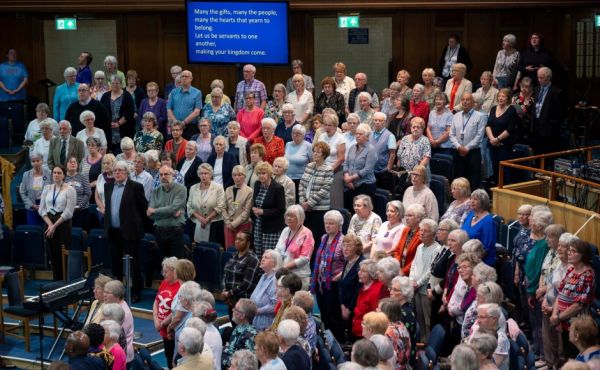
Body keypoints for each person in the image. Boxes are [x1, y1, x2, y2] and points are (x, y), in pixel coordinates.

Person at [103, 161, 148, 302]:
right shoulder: (107, 186)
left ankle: (136, 292)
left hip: (131, 232)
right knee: (116, 264)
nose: (117, 173)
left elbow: (143, 208)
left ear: (127, 172)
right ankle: (117, 292)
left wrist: (136, 225)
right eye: (115, 170)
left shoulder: (136, 187)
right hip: (113, 231)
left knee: (133, 264)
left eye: (120, 170)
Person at [552, 239, 595, 359]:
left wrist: (559, 317)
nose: (569, 253)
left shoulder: (587, 275)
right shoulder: (570, 269)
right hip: (563, 320)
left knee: (574, 355)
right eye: (569, 250)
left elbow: (579, 304)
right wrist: (555, 315)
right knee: (566, 354)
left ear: (583, 255)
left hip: (578, 324)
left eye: (573, 251)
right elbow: (560, 293)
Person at [541, 232, 575, 370]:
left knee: (562, 347)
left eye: (563, 247)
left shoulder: (573, 269)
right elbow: (550, 282)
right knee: (549, 341)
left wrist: (554, 309)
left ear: (572, 250)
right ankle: (551, 364)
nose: (559, 249)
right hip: (548, 306)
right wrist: (544, 301)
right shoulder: (560, 263)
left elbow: (565, 294)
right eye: (559, 245)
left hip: (562, 313)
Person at [39, 165, 76, 280]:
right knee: (52, 253)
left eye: (59, 173)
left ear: (64, 175)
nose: (56, 175)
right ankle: (56, 279)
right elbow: (41, 209)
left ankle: (65, 280)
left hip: (63, 223)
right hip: (49, 222)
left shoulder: (70, 189)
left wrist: (54, 226)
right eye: (54, 172)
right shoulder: (47, 188)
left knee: (62, 253)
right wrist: (50, 225)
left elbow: (69, 212)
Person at [409, 218, 441, 341]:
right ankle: (421, 341)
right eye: (421, 230)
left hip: (425, 288)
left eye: (425, 231)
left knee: (427, 319)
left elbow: (430, 270)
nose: (421, 233)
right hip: (415, 287)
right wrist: (412, 280)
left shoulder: (437, 249)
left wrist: (418, 283)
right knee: (419, 318)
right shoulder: (419, 247)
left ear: (433, 234)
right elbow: (413, 265)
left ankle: (428, 342)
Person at [148, 165, 187, 259]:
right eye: (161, 175)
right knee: (161, 262)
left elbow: (173, 208)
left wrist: (156, 211)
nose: (163, 177)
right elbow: (150, 215)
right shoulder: (155, 191)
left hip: (175, 230)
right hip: (159, 230)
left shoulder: (181, 189)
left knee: (175, 263)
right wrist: (170, 212)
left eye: (166, 174)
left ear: (172, 175)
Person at [449, 93, 487, 190]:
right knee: (459, 181)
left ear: (473, 102)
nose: (465, 102)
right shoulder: (456, 116)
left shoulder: (480, 116)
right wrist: (458, 147)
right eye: (463, 99)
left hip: (473, 153)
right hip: (458, 152)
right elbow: (451, 134)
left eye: (468, 100)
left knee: (473, 182)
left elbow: (479, 136)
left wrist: (467, 148)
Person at [274, 205, 314, 289]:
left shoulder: (307, 233)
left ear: (300, 218)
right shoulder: (285, 230)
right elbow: (277, 249)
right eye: (288, 215)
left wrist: (285, 267)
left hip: (299, 277)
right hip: (284, 274)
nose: (289, 218)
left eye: (292, 216)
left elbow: (305, 258)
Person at [252, 161, 286, 258]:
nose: (261, 176)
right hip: (258, 224)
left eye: (263, 173)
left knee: (269, 255)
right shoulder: (257, 184)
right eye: (259, 173)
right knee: (258, 252)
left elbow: (281, 209)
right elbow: (255, 202)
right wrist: (254, 208)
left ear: (269, 173)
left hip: (272, 227)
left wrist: (263, 212)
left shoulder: (278, 188)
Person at [222, 232, 260, 317]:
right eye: (236, 239)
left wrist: (229, 293)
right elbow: (226, 274)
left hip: (242, 301)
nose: (237, 241)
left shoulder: (252, 259)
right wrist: (225, 290)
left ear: (248, 243)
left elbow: (247, 284)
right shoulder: (234, 255)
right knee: (233, 323)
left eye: (241, 240)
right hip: (230, 299)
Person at [531, 67, 566, 158]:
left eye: (541, 78)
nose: (539, 80)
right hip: (536, 126)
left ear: (549, 77)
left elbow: (560, 114)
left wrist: (551, 126)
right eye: (538, 77)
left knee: (547, 155)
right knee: (537, 154)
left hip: (548, 129)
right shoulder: (537, 89)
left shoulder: (557, 92)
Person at [187, 163, 225, 244]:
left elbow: (221, 206)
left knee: (212, 249)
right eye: (201, 173)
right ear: (198, 175)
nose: (203, 176)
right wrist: (201, 219)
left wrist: (207, 219)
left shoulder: (218, 187)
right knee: (199, 249)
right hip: (197, 224)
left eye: (206, 173)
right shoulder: (193, 188)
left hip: (214, 225)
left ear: (211, 174)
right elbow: (189, 206)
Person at [153, 257, 180, 368]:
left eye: (166, 271)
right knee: (168, 354)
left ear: (175, 271)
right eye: (162, 271)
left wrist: (162, 323)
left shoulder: (180, 286)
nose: (163, 274)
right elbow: (156, 301)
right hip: (162, 326)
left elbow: (176, 310)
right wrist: (156, 318)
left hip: (172, 327)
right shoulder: (164, 283)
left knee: (175, 356)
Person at [351, 259, 388, 338]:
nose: (359, 273)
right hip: (358, 331)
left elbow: (376, 316)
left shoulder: (377, 290)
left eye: (363, 271)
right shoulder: (364, 286)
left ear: (372, 274)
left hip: (368, 335)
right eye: (359, 270)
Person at [316, 113, 345, 208]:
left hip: (335, 170)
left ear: (335, 126)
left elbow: (341, 159)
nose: (327, 127)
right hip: (321, 169)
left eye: (330, 125)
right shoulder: (321, 136)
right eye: (325, 125)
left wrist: (328, 170)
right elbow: (318, 153)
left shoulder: (340, 138)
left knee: (334, 199)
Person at [461, 189, 497, 266]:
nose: (472, 201)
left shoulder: (488, 221)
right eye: (471, 198)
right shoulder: (471, 214)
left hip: (480, 262)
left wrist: (471, 261)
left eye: (475, 199)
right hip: (465, 257)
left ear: (483, 202)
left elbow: (486, 247)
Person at [103, 280, 135, 364]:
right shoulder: (114, 306)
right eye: (104, 291)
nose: (104, 295)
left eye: (107, 292)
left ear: (117, 295)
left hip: (122, 355)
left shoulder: (123, 312)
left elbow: (116, 337)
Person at [101, 76, 135, 152]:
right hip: (109, 130)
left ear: (121, 84)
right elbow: (101, 112)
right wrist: (108, 123)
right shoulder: (105, 96)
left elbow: (130, 112)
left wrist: (118, 123)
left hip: (124, 129)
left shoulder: (127, 95)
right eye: (113, 83)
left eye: (117, 83)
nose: (115, 85)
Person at [250, 249, 282, 331]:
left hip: (266, 324)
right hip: (256, 320)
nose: (262, 259)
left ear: (274, 263)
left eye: (266, 257)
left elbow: (275, 305)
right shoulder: (264, 276)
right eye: (262, 257)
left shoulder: (275, 279)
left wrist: (257, 311)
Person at [397, 117, 431, 191]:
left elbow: (426, 157)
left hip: (419, 175)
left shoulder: (425, 140)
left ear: (422, 129)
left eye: (418, 127)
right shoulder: (404, 139)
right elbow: (399, 155)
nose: (415, 129)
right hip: (404, 174)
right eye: (413, 127)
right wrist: (398, 170)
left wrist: (416, 172)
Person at [222, 299, 258, 368]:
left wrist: (224, 351)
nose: (232, 310)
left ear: (242, 316)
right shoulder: (239, 327)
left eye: (236, 309)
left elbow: (244, 365)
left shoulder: (248, 337)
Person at [223, 165, 253, 247]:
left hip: (242, 225)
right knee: (229, 249)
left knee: (241, 250)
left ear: (244, 176)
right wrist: (228, 223)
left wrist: (233, 224)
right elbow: (223, 208)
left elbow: (246, 212)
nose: (237, 177)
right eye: (234, 175)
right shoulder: (228, 189)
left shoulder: (249, 191)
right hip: (228, 225)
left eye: (240, 175)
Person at [167, 70, 203, 139]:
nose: (184, 78)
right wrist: (175, 122)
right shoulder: (174, 92)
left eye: (186, 76)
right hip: (175, 126)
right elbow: (169, 109)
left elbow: (197, 111)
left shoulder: (197, 92)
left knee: (190, 148)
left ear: (191, 79)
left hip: (190, 126)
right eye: (182, 76)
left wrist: (184, 123)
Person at [379, 298, 412, 369]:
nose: (376, 311)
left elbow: (384, 357)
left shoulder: (389, 331)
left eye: (379, 309)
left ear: (386, 314)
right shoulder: (401, 324)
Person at [473, 304, 509, 370]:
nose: (478, 321)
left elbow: (494, 365)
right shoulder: (479, 330)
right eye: (478, 317)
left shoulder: (500, 339)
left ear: (494, 319)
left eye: (482, 317)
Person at [393, 203, 425, 275]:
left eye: (410, 216)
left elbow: (417, 260)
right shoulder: (406, 230)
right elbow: (397, 250)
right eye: (406, 215)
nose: (406, 218)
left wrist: (403, 272)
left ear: (418, 218)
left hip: (412, 274)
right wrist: (398, 267)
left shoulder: (422, 234)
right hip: (399, 269)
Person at [20, 151, 51, 225]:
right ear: (31, 163)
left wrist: (43, 204)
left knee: (45, 230)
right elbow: (23, 193)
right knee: (33, 231)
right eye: (33, 161)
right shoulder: (26, 175)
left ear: (42, 161)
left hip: (45, 206)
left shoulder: (49, 173)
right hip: (31, 207)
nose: (36, 163)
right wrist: (32, 205)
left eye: (38, 160)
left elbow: (52, 190)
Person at [64, 156, 91, 229]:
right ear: (66, 164)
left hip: (82, 210)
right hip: (67, 211)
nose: (73, 164)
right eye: (70, 162)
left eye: (74, 162)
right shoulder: (63, 177)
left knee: (81, 233)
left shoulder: (83, 176)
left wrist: (80, 206)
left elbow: (88, 193)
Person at [285, 124, 312, 192]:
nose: (294, 135)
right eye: (293, 133)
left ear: (303, 135)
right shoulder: (288, 144)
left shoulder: (308, 146)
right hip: (287, 178)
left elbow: (312, 163)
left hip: (301, 180)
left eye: (297, 134)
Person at [94, 154, 116, 219]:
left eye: (108, 163)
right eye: (104, 163)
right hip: (102, 212)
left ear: (114, 164)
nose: (105, 165)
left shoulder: (118, 177)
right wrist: (103, 209)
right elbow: (97, 196)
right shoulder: (100, 177)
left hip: (115, 212)